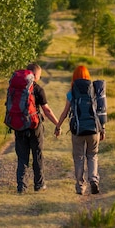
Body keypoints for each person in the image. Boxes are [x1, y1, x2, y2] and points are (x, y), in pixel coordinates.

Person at [55, 65, 106, 195]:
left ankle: (80, 186)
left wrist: (58, 126)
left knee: (78, 157)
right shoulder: (94, 90)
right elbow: (100, 111)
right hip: (93, 129)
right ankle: (93, 179)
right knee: (92, 155)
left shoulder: (72, 92)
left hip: (77, 130)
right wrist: (102, 129)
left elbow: (65, 112)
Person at [14, 62, 60, 194]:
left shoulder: (16, 87)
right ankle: (39, 185)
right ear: (34, 75)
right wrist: (58, 124)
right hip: (34, 126)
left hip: (19, 126)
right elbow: (47, 110)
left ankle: (21, 187)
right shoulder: (38, 89)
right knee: (37, 154)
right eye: (39, 75)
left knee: (22, 157)